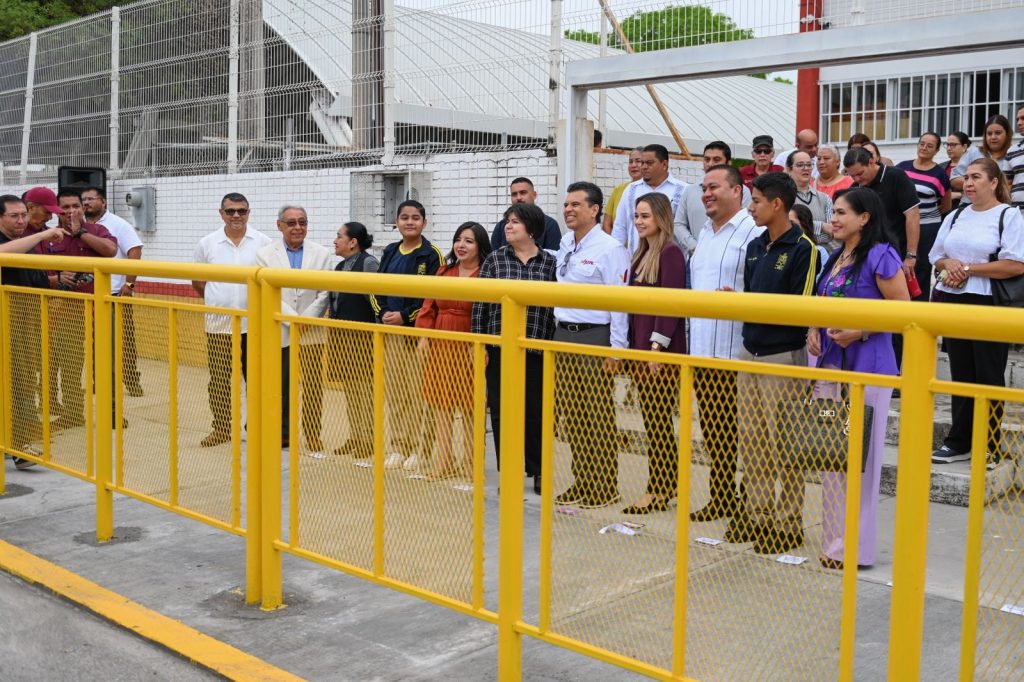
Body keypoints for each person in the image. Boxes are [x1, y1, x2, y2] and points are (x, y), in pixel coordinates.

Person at [806, 187, 910, 570]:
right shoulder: (836, 256)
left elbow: (903, 311)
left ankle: (855, 549)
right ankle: (834, 543)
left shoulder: (881, 255)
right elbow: (822, 302)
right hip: (830, 367)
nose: (833, 219)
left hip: (867, 370)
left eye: (841, 213)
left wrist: (861, 331)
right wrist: (813, 328)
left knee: (860, 462)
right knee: (832, 457)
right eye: (833, 212)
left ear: (864, 218)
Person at [725, 172, 819, 555]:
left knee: (785, 445)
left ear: (777, 204)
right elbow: (753, 295)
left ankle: (788, 522)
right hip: (750, 352)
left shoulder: (804, 248)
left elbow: (801, 308)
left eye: (756, 201)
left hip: (783, 356)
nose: (751, 208)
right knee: (753, 442)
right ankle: (758, 515)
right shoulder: (754, 246)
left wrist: (753, 306)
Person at [929, 158, 1024, 468]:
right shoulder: (956, 215)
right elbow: (937, 256)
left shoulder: (1008, 215)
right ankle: (959, 442)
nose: (968, 183)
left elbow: (1015, 265)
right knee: (961, 373)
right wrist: (949, 264)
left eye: (976, 177)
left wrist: (968, 269)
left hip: (989, 303)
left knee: (988, 374)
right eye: (966, 177)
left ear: (994, 182)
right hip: (955, 300)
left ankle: (989, 444)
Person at [687, 164, 763, 523]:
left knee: (747, 434)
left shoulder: (753, 231)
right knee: (715, 433)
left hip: (738, 352)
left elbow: (762, 289)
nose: (706, 194)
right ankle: (721, 497)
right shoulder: (704, 232)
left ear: (737, 191)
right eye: (704, 188)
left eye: (714, 187)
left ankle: (751, 502)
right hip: (703, 351)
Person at [553, 181, 631, 509]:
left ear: (594, 210)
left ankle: (604, 484)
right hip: (563, 334)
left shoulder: (610, 248)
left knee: (597, 415)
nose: (568, 210)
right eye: (566, 204)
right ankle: (582, 479)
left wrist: (616, 348)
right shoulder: (566, 242)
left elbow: (620, 302)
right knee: (572, 415)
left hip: (594, 336)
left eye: (576, 204)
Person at [472, 204, 556, 495]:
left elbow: (554, 308)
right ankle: (508, 472)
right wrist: (480, 343)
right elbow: (481, 304)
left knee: (536, 412)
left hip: (536, 348)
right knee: (500, 412)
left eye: (516, 222)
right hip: (499, 348)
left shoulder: (549, 263)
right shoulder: (495, 260)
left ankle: (538, 469)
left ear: (532, 229)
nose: (508, 226)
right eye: (508, 221)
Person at [623, 192, 686, 514]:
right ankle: (666, 484)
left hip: (659, 352)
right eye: (636, 215)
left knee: (658, 422)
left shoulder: (670, 252)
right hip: (640, 349)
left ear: (661, 218)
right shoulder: (641, 253)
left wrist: (656, 348)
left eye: (645, 216)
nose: (638, 221)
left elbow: (671, 304)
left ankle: (657, 487)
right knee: (653, 422)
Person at [192, 193, 272, 447]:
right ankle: (221, 428)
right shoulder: (207, 244)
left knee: (256, 379)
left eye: (241, 211)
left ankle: (255, 427)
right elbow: (198, 281)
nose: (236, 216)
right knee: (219, 379)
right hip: (219, 324)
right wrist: (218, 301)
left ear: (249, 212)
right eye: (230, 211)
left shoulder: (264, 243)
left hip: (255, 324)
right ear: (221, 213)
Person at [372, 200, 445, 470]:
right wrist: (383, 313)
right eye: (404, 217)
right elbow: (375, 288)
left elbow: (433, 296)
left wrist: (406, 315)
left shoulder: (431, 254)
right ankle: (398, 446)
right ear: (397, 221)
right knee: (396, 392)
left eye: (415, 218)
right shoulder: (390, 251)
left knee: (419, 395)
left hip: (417, 335)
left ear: (424, 222)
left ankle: (420, 449)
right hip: (391, 333)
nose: (410, 222)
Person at [415, 222, 491, 480]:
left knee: (471, 405)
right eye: (458, 239)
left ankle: (471, 461)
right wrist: (424, 336)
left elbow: (490, 312)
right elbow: (429, 306)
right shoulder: (444, 271)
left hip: (470, 341)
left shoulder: (486, 274)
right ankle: (444, 460)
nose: (461, 245)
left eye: (469, 241)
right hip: (441, 339)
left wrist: (482, 344)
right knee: (441, 403)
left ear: (480, 245)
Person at [256, 205, 333, 455]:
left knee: (312, 386)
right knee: (281, 385)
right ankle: (284, 433)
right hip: (280, 329)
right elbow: (266, 291)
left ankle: (313, 434)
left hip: (312, 330)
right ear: (279, 225)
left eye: (303, 222)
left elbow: (325, 293)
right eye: (291, 223)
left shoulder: (322, 254)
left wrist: (306, 320)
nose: (298, 227)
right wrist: (292, 320)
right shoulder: (264, 255)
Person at [0, 195, 64, 470]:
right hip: (7, 324)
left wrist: (59, 282)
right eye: (14, 216)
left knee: (23, 384)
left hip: (24, 326)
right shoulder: (20, 243)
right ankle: (17, 445)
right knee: (14, 385)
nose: (21, 221)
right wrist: (43, 235)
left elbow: (37, 280)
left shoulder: (26, 246)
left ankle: (16, 443)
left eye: (23, 215)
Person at [46, 190, 118, 431]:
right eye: (65, 207)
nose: (71, 211)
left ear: (82, 207)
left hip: (100, 307)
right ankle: (74, 413)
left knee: (107, 364)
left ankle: (112, 413)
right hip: (67, 310)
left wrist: (81, 233)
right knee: (70, 365)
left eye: (75, 206)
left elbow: (110, 250)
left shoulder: (97, 230)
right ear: (57, 211)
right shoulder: (51, 237)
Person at [845, 147, 921, 366]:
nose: (857, 180)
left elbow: (912, 215)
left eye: (860, 174)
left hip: (897, 256)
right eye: (852, 175)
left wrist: (911, 255)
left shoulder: (896, 177)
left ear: (872, 162)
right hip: (868, 260)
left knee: (898, 315)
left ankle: (897, 369)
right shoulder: (856, 189)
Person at [81, 186, 145, 397]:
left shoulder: (118, 224)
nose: (86, 203)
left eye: (91, 199)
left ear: (104, 201)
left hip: (114, 296)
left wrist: (130, 285)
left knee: (124, 343)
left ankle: (132, 381)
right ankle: (98, 382)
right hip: (87, 296)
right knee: (94, 343)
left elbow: (135, 252)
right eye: (84, 199)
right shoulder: (80, 226)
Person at [328, 222, 379, 459]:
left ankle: (368, 439)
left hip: (363, 335)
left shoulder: (368, 263)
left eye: (339, 236)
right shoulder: (339, 267)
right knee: (350, 389)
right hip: (342, 336)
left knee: (364, 390)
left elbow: (375, 299)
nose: (335, 241)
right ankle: (356, 436)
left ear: (353, 242)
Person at [897, 133, 952, 300]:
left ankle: (919, 307)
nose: (924, 148)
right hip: (902, 224)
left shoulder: (940, 174)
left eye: (930, 146)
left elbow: (946, 205)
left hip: (928, 228)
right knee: (899, 264)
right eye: (922, 144)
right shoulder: (902, 167)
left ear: (936, 150)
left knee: (921, 268)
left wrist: (925, 215)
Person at [611, 143, 687, 256]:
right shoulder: (631, 189)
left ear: (664, 164)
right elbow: (620, 227)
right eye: (642, 163)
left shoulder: (683, 190)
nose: (644, 167)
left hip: (669, 260)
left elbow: (686, 229)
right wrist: (616, 257)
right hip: (635, 260)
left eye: (649, 163)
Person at [676, 141, 752, 253]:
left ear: (728, 163)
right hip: (695, 255)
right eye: (707, 159)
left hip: (728, 253)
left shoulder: (741, 191)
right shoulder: (690, 190)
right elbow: (678, 223)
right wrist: (694, 246)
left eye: (716, 160)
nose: (710, 164)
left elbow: (745, 223)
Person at [951, 114, 1014, 205]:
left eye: (998, 133)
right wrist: (981, 183)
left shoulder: (1014, 155)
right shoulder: (974, 152)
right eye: (989, 133)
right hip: (969, 205)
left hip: (999, 206)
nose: (993, 137)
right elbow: (954, 179)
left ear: (1007, 134)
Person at [489, 178, 561, 251]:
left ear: (534, 195)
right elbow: (494, 255)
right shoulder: (501, 227)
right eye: (514, 194)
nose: (518, 198)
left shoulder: (549, 225)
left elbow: (553, 256)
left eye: (523, 193)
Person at [786, 150, 834, 248]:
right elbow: (788, 230)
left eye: (809, 164)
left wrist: (806, 227)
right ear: (789, 169)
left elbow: (832, 233)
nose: (806, 168)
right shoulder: (783, 198)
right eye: (800, 165)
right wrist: (821, 226)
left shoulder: (825, 198)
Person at [603, 147, 644, 234]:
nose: (633, 165)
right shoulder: (619, 189)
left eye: (638, 161)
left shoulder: (652, 190)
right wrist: (614, 242)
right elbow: (607, 224)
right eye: (630, 162)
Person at [943, 132, 971, 210]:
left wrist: (959, 195)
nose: (949, 148)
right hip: (943, 211)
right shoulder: (941, 167)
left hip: (966, 209)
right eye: (947, 145)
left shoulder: (973, 167)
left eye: (953, 145)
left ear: (964, 147)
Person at [1007, 105, 1024, 215]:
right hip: (1018, 215)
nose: (1019, 123)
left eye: (1023, 118)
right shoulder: (1012, 151)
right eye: (1017, 119)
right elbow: (1007, 184)